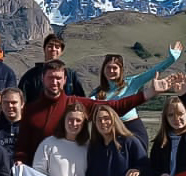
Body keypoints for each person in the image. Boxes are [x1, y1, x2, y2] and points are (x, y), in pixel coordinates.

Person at [14, 60, 171, 165]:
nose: (54, 82)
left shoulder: (77, 104)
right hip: (38, 174)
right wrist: (20, 160)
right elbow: (22, 144)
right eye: (50, 78)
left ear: (64, 79)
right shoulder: (30, 110)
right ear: (43, 79)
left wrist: (149, 93)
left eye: (58, 78)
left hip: (72, 171)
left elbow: (114, 106)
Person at [91, 42, 183, 149]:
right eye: (108, 68)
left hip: (133, 131)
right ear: (103, 70)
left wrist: (171, 59)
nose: (111, 71)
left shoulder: (131, 83)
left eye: (115, 68)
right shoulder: (97, 93)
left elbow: (152, 72)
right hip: (110, 133)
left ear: (121, 70)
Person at [85, 105, 148, 176]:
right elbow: (91, 173)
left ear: (114, 120)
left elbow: (146, 167)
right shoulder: (93, 147)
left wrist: (138, 170)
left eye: (106, 118)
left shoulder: (130, 142)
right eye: (99, 120)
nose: (103, 122)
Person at [32, 102, 90, 176]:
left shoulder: (87, 146)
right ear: (64, 120)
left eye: (78, 120)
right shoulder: (48, 143)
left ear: (83, 124)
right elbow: (38, 172)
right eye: (70, 119)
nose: (74, 124)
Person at [18, 33, 84, 103]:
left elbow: (81, 100)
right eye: (50, 46)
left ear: (61, 51)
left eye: (57, 47)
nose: (53, 49)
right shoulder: (31, 76)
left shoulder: (71, 75)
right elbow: (21, 101)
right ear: (44, 49)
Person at [0, 88, 24, 155]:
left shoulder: (31, 126)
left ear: (22, 104)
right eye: (6, 102)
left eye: (14, 102)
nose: (10, 106)